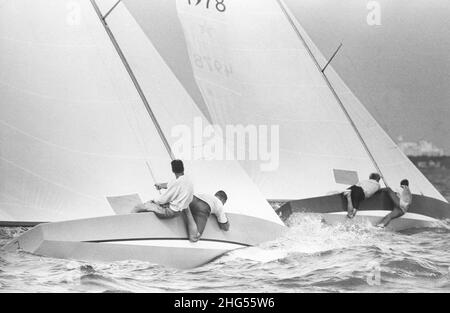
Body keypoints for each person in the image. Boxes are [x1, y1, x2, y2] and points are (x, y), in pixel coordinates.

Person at [132, 159, 200, 242]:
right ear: (183, 168)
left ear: (172, 170)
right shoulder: (187, 179)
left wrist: (152, 201)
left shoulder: (178, 183)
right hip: (183, 206)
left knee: (139, 206)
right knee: (188, 215)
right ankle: (194, 236)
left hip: (170, 212)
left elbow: (162, 199)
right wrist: (160, 185)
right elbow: (172, 184)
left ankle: (130, 224)